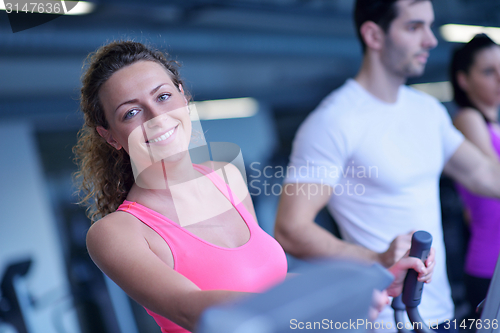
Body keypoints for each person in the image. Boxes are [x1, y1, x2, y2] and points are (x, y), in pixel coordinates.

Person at [74, 41, 435, 333]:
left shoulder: (225, 176)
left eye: (163, 96)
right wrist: (332, 295)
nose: (157, 117)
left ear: (184, 97)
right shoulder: (117, 233)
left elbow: (268, 283)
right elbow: (191, 311)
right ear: (110, 137)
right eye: (131, 113)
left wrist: (372, 282)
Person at [275, 0, 500, 331]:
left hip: (441, 314)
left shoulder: (427, 111)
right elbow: (290, 229)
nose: (430, 40)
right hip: (383, 320)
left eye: (429, 25)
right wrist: (377, 260)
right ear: (374, 35)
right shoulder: (333, 121)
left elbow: (486, 175)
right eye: (414, 27)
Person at [450, 33, 500, 317]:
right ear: (464, 80)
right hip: (489, 265)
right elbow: (492, 174)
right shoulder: (467, 118)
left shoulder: (493, 127)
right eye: (488, 71)